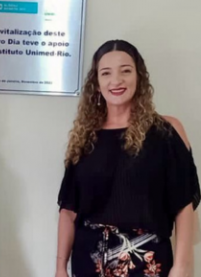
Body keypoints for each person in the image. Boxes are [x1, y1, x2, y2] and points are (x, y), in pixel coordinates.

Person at [56, 40, 200, 277]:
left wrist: (182, 266)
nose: (116, 80)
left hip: (148, 262)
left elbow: (184, 204)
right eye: (106, 73)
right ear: (97, 83)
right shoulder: (85, 137)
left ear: (139, 76)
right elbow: (68, 211)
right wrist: (60, 267)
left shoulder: (166, 131)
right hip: (89, 261)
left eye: (125, 70)